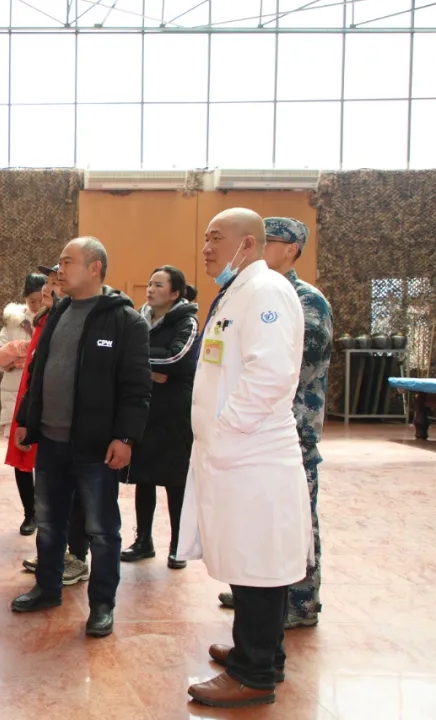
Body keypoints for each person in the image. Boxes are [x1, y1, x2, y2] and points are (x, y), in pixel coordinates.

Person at [177, 208, 313, 708]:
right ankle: (263, 652)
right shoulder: (239, 291)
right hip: (234, 452)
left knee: (258, 564)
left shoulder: (267, 291)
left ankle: (253, 676)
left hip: (252, 453)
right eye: (205, 238)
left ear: (248, 244)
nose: (207, 248)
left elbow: (271, 374)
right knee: (249, 559)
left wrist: (227, 427)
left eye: (217, 238)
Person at [9, 238, 152, 638]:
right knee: (50, 522)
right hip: (51, 442)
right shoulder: (58, 313)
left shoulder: (125, 321)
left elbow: (137, 388)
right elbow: (38, 371)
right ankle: (48, 588)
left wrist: (125, 438)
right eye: (59, 262)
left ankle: (102, 605)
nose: (59, 269)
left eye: (67, 262)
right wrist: (26, 420)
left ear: (94, 268)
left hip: (95, 447)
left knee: (102, 531)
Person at [216, 217, 332, 628]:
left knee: (292, 522)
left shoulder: (306, 300)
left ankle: (300, 602)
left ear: (292, 249)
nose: (261, 247)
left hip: (290, 431)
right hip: (254, 431)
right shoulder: (249, 292)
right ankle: (260, 594)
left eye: (272, 241)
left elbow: (293, 369)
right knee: (256, 520)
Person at [7, 264, 89, 587]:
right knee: (51, 494)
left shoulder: (83, 319)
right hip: (46, 418)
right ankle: (53, 553)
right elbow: (37, 372)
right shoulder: (47, 319)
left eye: (54, 281)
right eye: (47, 281)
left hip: (74, 423)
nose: (47, 287)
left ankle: (77, 556)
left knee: (77, 495)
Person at [121, 265, 199, 569]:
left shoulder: (187, 321)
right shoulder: (139, 318)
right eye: (150, 284)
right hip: (145, 409)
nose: (150, 290)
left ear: (175, 293)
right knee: (144, 478)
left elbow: (177, 358)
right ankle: (144, 541)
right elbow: (125, 354)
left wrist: (141, 362)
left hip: (174, 413)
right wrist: (149, 370)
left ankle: (178, 546)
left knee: (174, 480)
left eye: (158, 285)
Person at [0, 272, 48, 535]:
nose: (36, 305)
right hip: (16, 396)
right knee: (21, 456)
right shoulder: (15, 321)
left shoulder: (53, 318)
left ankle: (46, 510)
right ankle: (30, 513)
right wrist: (16, 354)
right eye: (31, 301)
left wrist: (24, 359)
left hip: (45, 397)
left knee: (46, 458)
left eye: (40, 299)